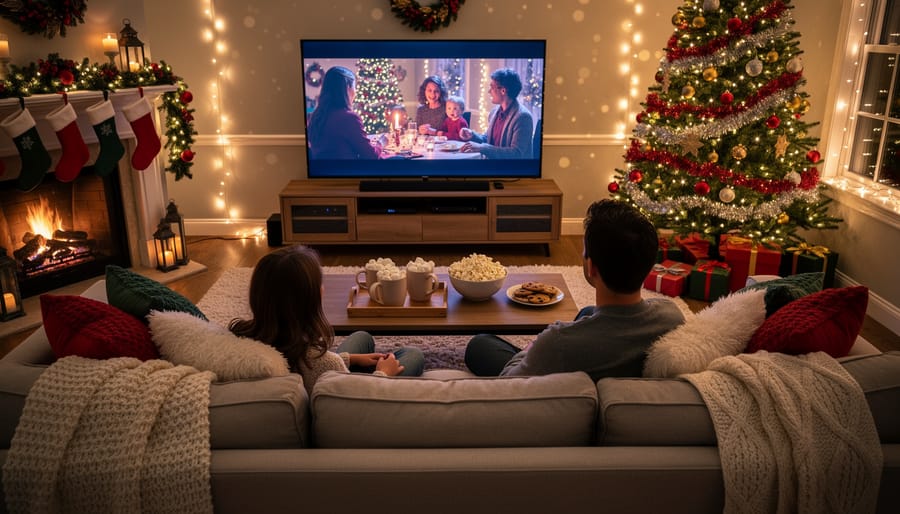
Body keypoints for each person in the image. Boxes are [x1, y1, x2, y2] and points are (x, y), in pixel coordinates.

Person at [464, 200, 686, 381]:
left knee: (480, 345)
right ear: (648, 265)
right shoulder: (671, 316)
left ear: (591, 267)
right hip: (603, 350)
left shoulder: (557, 342)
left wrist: (534, 346)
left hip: (560, 361)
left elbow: (507, 383)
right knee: (588, 311)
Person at [229, 245, 425, 394]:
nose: (323, 287)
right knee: (413, 355)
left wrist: (350, 359)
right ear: (308, 297)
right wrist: (383, 374)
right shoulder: (323, 362)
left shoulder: (243, 337)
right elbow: (357, 399)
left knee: (361, 337)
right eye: (319, 283)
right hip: (348, 393)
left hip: (313, 371)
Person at [306, 66, 385, 160]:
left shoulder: (316, 116)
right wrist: (381, 143)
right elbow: (372, 156)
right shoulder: (349, 118)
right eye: (355, 87)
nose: (355, 92)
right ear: (348, 88)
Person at [459, 68, 533, 159]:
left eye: (492, 87)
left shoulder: (523, 117)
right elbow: (487, 139)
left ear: (503, 91)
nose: (489, 91)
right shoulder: (494, 112)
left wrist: (483, 148)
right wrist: (472, 135)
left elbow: (516, 153)